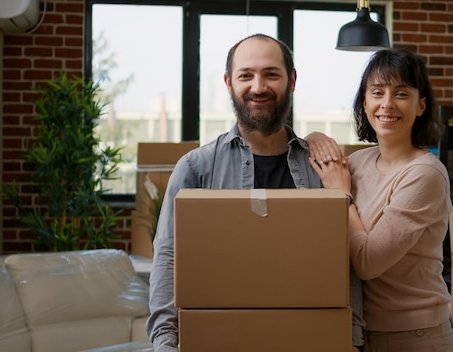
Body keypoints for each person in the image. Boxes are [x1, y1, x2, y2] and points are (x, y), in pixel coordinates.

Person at [146, 33, 365, 352]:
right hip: (220, 340)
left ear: (291, 80)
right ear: (228, 82)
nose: (258, 87)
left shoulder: (323, 169)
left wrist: (352, 340)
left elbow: (342, 262)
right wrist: (166, 343)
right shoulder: (196, 168)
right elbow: (168, 257)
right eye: (246, 75)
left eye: (271, 74)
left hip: (307, 339)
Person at [307, 48, 453, 352]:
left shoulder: (425, 175)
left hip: (416, 335)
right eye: (377, 92)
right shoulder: (359, 162)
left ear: (420, 105)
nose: (387, 104)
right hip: (361, 330)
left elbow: (367, 262)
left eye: (401, 93)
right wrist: (312, 138)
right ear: (365, 102)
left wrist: (342, 196)